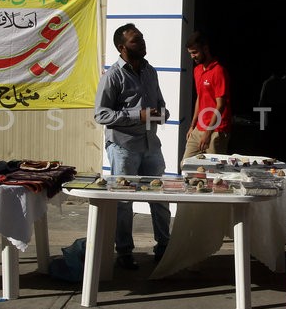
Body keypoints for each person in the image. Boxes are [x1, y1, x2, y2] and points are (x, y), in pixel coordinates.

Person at [94, 23, 171, 269]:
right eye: (136, 40)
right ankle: (125, 253)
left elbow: (159, 104)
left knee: (159, 196)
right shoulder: (113, 75)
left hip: (151, 145)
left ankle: (164, 247)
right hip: (124, 147)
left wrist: (162, 113)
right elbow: (101, 115)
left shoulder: (151, 71)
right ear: (122, 47)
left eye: (142, 39)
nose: (143, 43)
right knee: (124, 201)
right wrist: (139, 116)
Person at [182, 32, 232, 160]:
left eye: (195, 52)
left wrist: (208, 133)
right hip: (199, 127)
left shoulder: (218, 71)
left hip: (216, 130)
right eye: (190, 53)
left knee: (214, 171)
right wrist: (192, 125)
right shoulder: (197, 70)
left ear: (205, 48)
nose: (192, 56)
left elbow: (221, 105)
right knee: (186, 165)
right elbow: (200, 97)